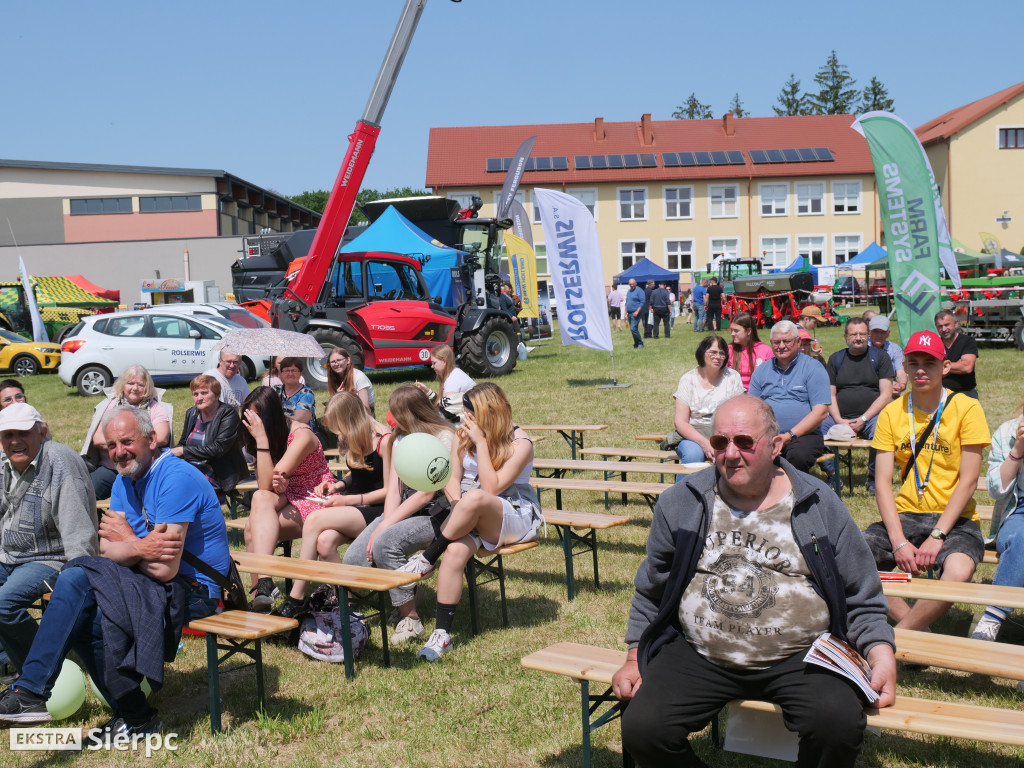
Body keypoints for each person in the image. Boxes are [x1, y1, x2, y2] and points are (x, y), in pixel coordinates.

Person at [613, 395, 896, 768]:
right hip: (702, 651)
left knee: (836, 725)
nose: (731, 453)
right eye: (720, 442)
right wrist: (635, 655)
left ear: (776, 446)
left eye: (745, 442)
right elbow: (652, 588)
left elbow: (861, 592)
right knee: (643, 730)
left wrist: (880, 652)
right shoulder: (683, 503)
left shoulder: (817, 504)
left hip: (801, 655)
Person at [0, 406, 229, 732]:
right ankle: (132, 716)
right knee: (78, 587)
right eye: (112, 445)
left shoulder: (175, 479)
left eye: (127, 441)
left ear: (151, 439)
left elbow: (163, 569)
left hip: (194, 590)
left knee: (80, 582)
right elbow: (105, 549)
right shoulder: (126, 478)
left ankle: (33, 691)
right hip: (151, 580)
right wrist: (136, 546)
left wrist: (126, 542)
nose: (120, 452)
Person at [399, 383, 542, 661]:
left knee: (475, 497)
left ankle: (427, 559)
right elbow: (451, 478)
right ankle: (442, 635)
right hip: (472, 511)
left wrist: (480, 443)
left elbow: (491, 489)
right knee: (454, 551)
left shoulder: (519, 443)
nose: (465, 418)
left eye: (471, 412)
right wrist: (458, 508)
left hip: (514, 513)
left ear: (490, 413)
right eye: (465, 411)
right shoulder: (461, 435)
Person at [863, 331, 990, 631]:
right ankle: (918, 625)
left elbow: (969, 481)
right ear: (904, 367)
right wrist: (898, 542)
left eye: (929, 363)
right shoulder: (891, 413)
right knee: (852, 558)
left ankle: (903, 634)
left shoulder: (967, 409)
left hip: (955, 519)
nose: (921, 370)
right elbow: (882, 484)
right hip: (906, 515)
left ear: (945, 367)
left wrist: (937, 535)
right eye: (914, 362)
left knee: (958, 571)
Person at [342, 384, 460, 645]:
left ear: (412, 412)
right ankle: (409, 596)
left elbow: (428, 493)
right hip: (406, 508)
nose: (392, 419)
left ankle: (411, 619)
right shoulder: (399, 439)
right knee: (352, 558)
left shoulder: (443, 437)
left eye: (396, 413)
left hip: (438, 513)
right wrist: (384, 521)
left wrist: (384, 529)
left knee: (386, 544)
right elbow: (394, 490)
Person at [0, 404, 98, 675]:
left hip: (51, 558)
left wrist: (82, 578)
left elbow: (79, 530)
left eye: (23, 433)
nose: (15, 441)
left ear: (41, 432)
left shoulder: (60, 462)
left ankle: (41, 674)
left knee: (3, 605)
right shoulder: (4, 464)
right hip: (8, 555)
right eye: (8, 435)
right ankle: (10, 659)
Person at [275, 392, 392, 618]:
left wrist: (346, 499)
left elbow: (389, 490)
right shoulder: (355, 435)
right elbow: (358, 472)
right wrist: (337, 485)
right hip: (355, 503)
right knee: (324, 542)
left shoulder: (384, 440)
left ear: (350, 418)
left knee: (315, 518)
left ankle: (296, 597)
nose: (338, 433)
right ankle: (344, 600)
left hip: (378, 509)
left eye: (339, 426)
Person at [240, 387, 333, 611]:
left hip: (314, 496)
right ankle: (263, 588)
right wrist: (261, 440)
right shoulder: (269, 435)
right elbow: (266, 488)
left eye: (258, 419)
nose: (255, 425)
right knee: (259, 501)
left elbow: (266, 483)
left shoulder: (302, 436)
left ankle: (262, 591)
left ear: (271, 417)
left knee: (252, 527)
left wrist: (261, 439)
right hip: (285, 495)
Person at [823, 318, 894, 494]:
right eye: (854, 334)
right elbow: (830, 394)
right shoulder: (836, 359)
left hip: (871, 417)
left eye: (862, 334)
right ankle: (833, 474)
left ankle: (873, 477)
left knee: (882, 429)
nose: (858, 338)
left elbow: (886, 394)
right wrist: (839, 420)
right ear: (845, 336)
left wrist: (864, 418)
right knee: (817, 428)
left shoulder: (880, 357)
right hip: (840, 417)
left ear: (868, 335)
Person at [749, 320, 831, 473]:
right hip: (768, 436)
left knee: (797, 457)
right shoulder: (762, 371)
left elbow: (820, 413)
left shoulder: (813, 368)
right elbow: (751, 408)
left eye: (786, 341)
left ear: (798, 342)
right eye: (776, 342)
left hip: (804, 435)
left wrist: (789, 436)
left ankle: (795, 494)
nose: (781, 346)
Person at [972, 408, 1024, 644]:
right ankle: (993, 617)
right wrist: (1017, 450)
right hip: (1018, 509)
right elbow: (995, 490)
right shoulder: (1007, 432)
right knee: (1021, 538)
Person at [81, 365, 171, 500]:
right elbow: (98, 438)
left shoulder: (155, 408)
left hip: (143, 469)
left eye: (140, 385)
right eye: (130, 383)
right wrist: (128, 447)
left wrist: (123, 448)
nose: (135, 388)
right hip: (111, 468)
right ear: (123, 385)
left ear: (147, 388)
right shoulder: (111, 405)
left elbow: (162, 437)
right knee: (84, 495)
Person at [170, 374, 247, 496]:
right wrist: (170, 453)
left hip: (219, 471)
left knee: (183, 489)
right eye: (195, 394)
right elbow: (183, 442)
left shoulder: (228, 414)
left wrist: (183, 451)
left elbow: (218, 449)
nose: (199, 398)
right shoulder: (191, 413)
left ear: (216, 394)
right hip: (193, 467)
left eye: (204, 393)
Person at [672, 336, 744, 465]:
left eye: (722, 353)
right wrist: (705, 443)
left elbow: (739, 415)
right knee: (693, 454)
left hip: (725, 435)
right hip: (694, 435)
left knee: (729, 454)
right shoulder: (688, 379)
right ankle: (687, 486)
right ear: (702, 353)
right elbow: (680, 422)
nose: (718, 357)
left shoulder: (732, 377)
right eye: (713, 352)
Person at [418, 345, 474, 424]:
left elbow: (449, 415)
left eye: (434, 363)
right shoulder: (455, 373)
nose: (432, 366)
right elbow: (445, 406)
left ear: (444, 361)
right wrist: (428, 393)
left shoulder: (452, 381)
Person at [934, 310, 979, 398]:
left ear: (956, 324)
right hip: (940, 393)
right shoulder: (934, 344)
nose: (943, 329)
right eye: (940, 326)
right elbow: (930, 371)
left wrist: (940, 367)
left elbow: (967, 367)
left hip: (965, 392)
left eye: (947, 325)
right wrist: (957, 365)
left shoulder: (968, 341)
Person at [727, 312, 773, 391]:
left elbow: (772, 378)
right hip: (734, 396)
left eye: (736, 331)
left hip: (758, 395)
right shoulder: (728, 350)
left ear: (748, 331)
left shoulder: (765, 351)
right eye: (732, 330)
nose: (732, 334)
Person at [326, 346, 375, 415]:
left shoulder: (358, 377)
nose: (336, 364)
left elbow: (365, 407)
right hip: (346, 413)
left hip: (364, 415)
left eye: (339, 360)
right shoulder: (334, 378)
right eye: (333, 362)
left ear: (348, 360)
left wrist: (343, 397)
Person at [868, 315, 907, 396]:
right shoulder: (861, 348)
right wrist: (886, 386)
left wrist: (901, 385)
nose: (879, 335)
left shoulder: (895, 349)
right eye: (876, 331)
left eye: (883, 332)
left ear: (888, 333)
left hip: (891, 387)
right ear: (870, 333)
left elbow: (900, 370)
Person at [273, 357, 315, 426]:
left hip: (299, 433)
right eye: (286, 370)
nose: (290, 374)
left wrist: (274, 416)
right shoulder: (275, 390)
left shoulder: (306, 393)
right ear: (281, 373)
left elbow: (301, 420)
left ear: (300, 373)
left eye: (294, 370)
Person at [625, 278, 646, 349]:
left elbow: (642, 302)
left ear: (636, 283)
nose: (631, 285)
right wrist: (625, 313)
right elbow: (626, 303)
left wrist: (637, 311)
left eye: (633, 284)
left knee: (633, 328)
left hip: (636, 312)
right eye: (630, 284)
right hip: (629, 313)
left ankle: (640, 343)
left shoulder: (639, 291)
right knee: (633, 329)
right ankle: (636, 344)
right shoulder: (629, 291)